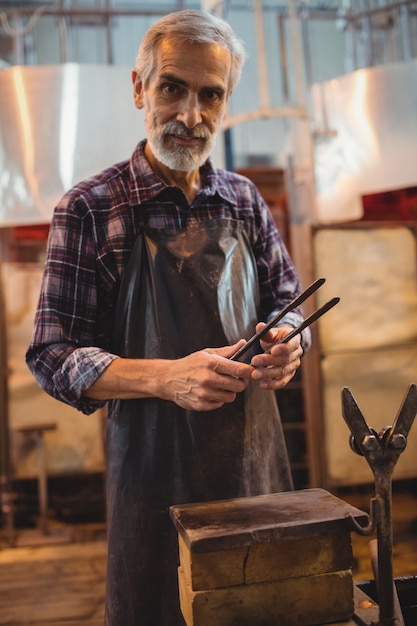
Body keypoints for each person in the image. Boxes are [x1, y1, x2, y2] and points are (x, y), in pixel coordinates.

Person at [26, 9, 311, 626]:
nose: (191, 115)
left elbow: (291, 300)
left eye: (211, 95)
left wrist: (290, 339)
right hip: (153, 486)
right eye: (172, 88)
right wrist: (166, 378)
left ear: (226, 100)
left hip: (254, 471)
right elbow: (51, 355)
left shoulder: (244, 199)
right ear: (139, 89)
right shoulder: (90, 209)